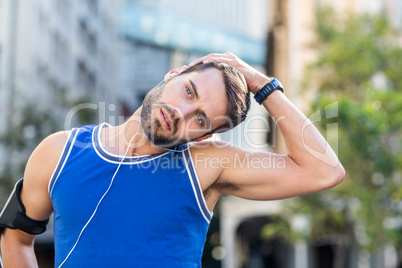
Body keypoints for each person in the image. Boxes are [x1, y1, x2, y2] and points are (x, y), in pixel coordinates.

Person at [0, 52, 345, 267]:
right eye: (189, 91)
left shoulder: (208, 165)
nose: (180, 112)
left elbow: (323, 171)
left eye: (200, 119)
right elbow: (15, 236)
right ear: (174, 74)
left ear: (206, 135)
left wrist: (263, 85)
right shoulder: (59, 151)